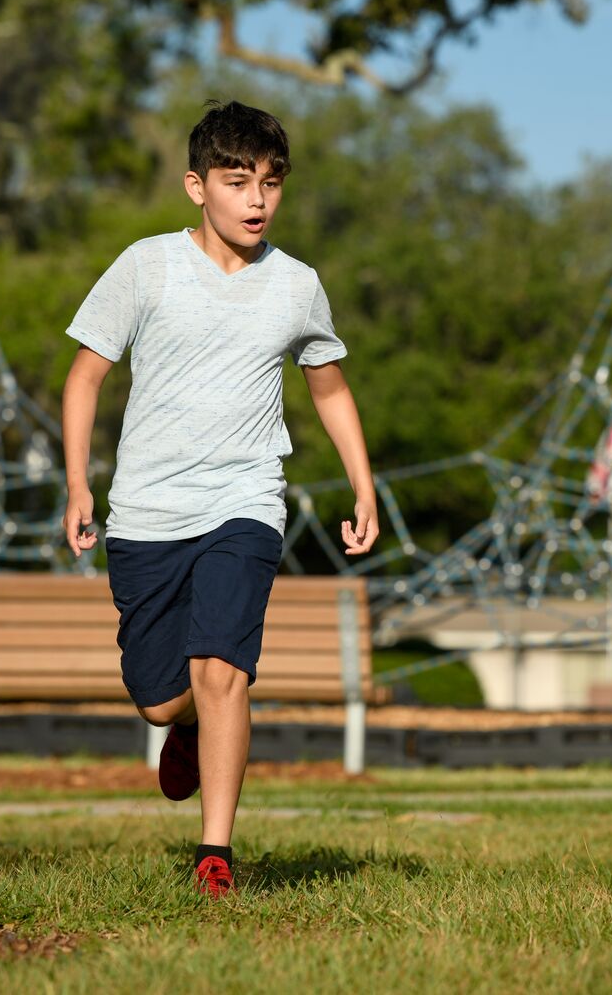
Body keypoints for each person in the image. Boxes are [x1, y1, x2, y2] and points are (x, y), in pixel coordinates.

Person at [60, 100, 378, 897]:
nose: (257, 199)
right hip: (147, 512)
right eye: (239, 182)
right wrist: (77, 482)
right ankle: (188, 730)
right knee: (164, 702)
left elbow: (330, 390)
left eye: (270, 182)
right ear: (197, 186)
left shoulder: (297, 286)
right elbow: (85, 376)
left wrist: (362, 486)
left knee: (223, 670)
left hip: (246, 499)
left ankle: (217, 854)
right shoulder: (147, 266)